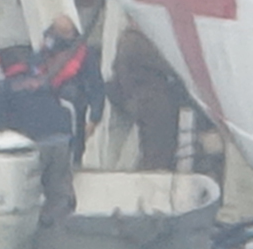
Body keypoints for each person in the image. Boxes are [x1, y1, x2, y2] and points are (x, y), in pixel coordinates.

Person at [0, 48, 75, 226]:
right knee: (58, 189)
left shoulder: (5, 88)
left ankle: (29, 229)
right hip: (61, 138)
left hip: (33, 144)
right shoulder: (42, 81)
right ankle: (59, 227)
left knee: (25, 188)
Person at [108, 25, 183, 171]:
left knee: (151, 144)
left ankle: (152, 169)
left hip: (138, 98)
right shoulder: (137, 41)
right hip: (151, 99)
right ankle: (155, 173)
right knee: (159, 144)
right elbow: (167, 64)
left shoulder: (126, 41)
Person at [38, 15, 104, 165]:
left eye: (70, 32)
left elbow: (96, 85)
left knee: (73, 156)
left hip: (74, 113)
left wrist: (94, 117)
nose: (68, 37)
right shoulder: (44, 52)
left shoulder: (84, 53)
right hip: (45, 114)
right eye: (63, 33)